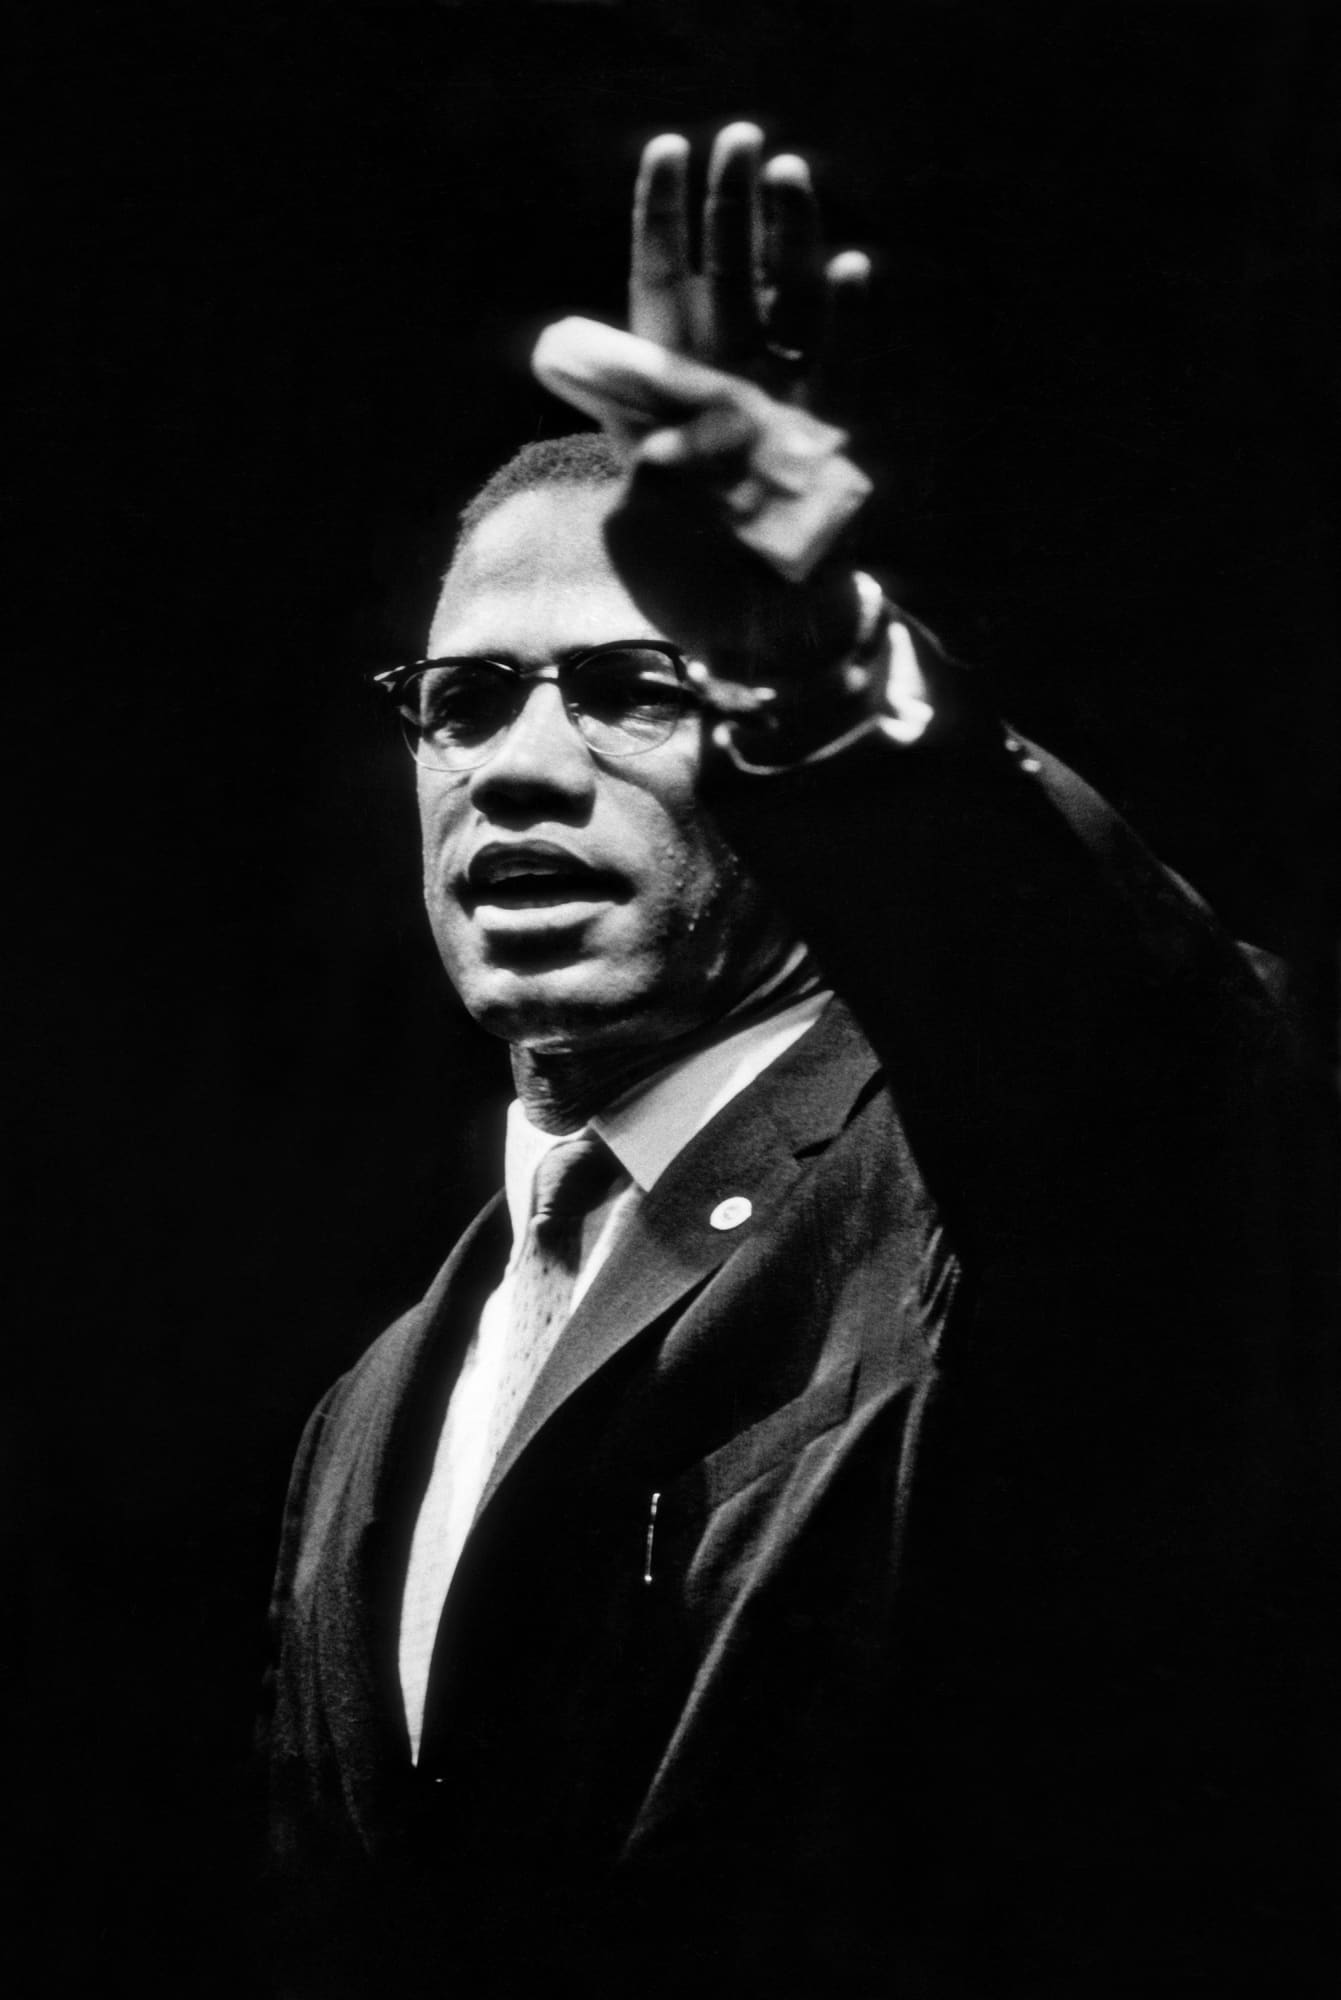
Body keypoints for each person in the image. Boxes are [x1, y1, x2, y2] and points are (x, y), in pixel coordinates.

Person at [261, 125, 1337, 1998]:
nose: (516, 763)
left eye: (630, 686)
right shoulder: (365, 1412)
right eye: (465, 701)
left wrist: (828, 690)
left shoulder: (972, 1187)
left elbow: (1137, 1066)